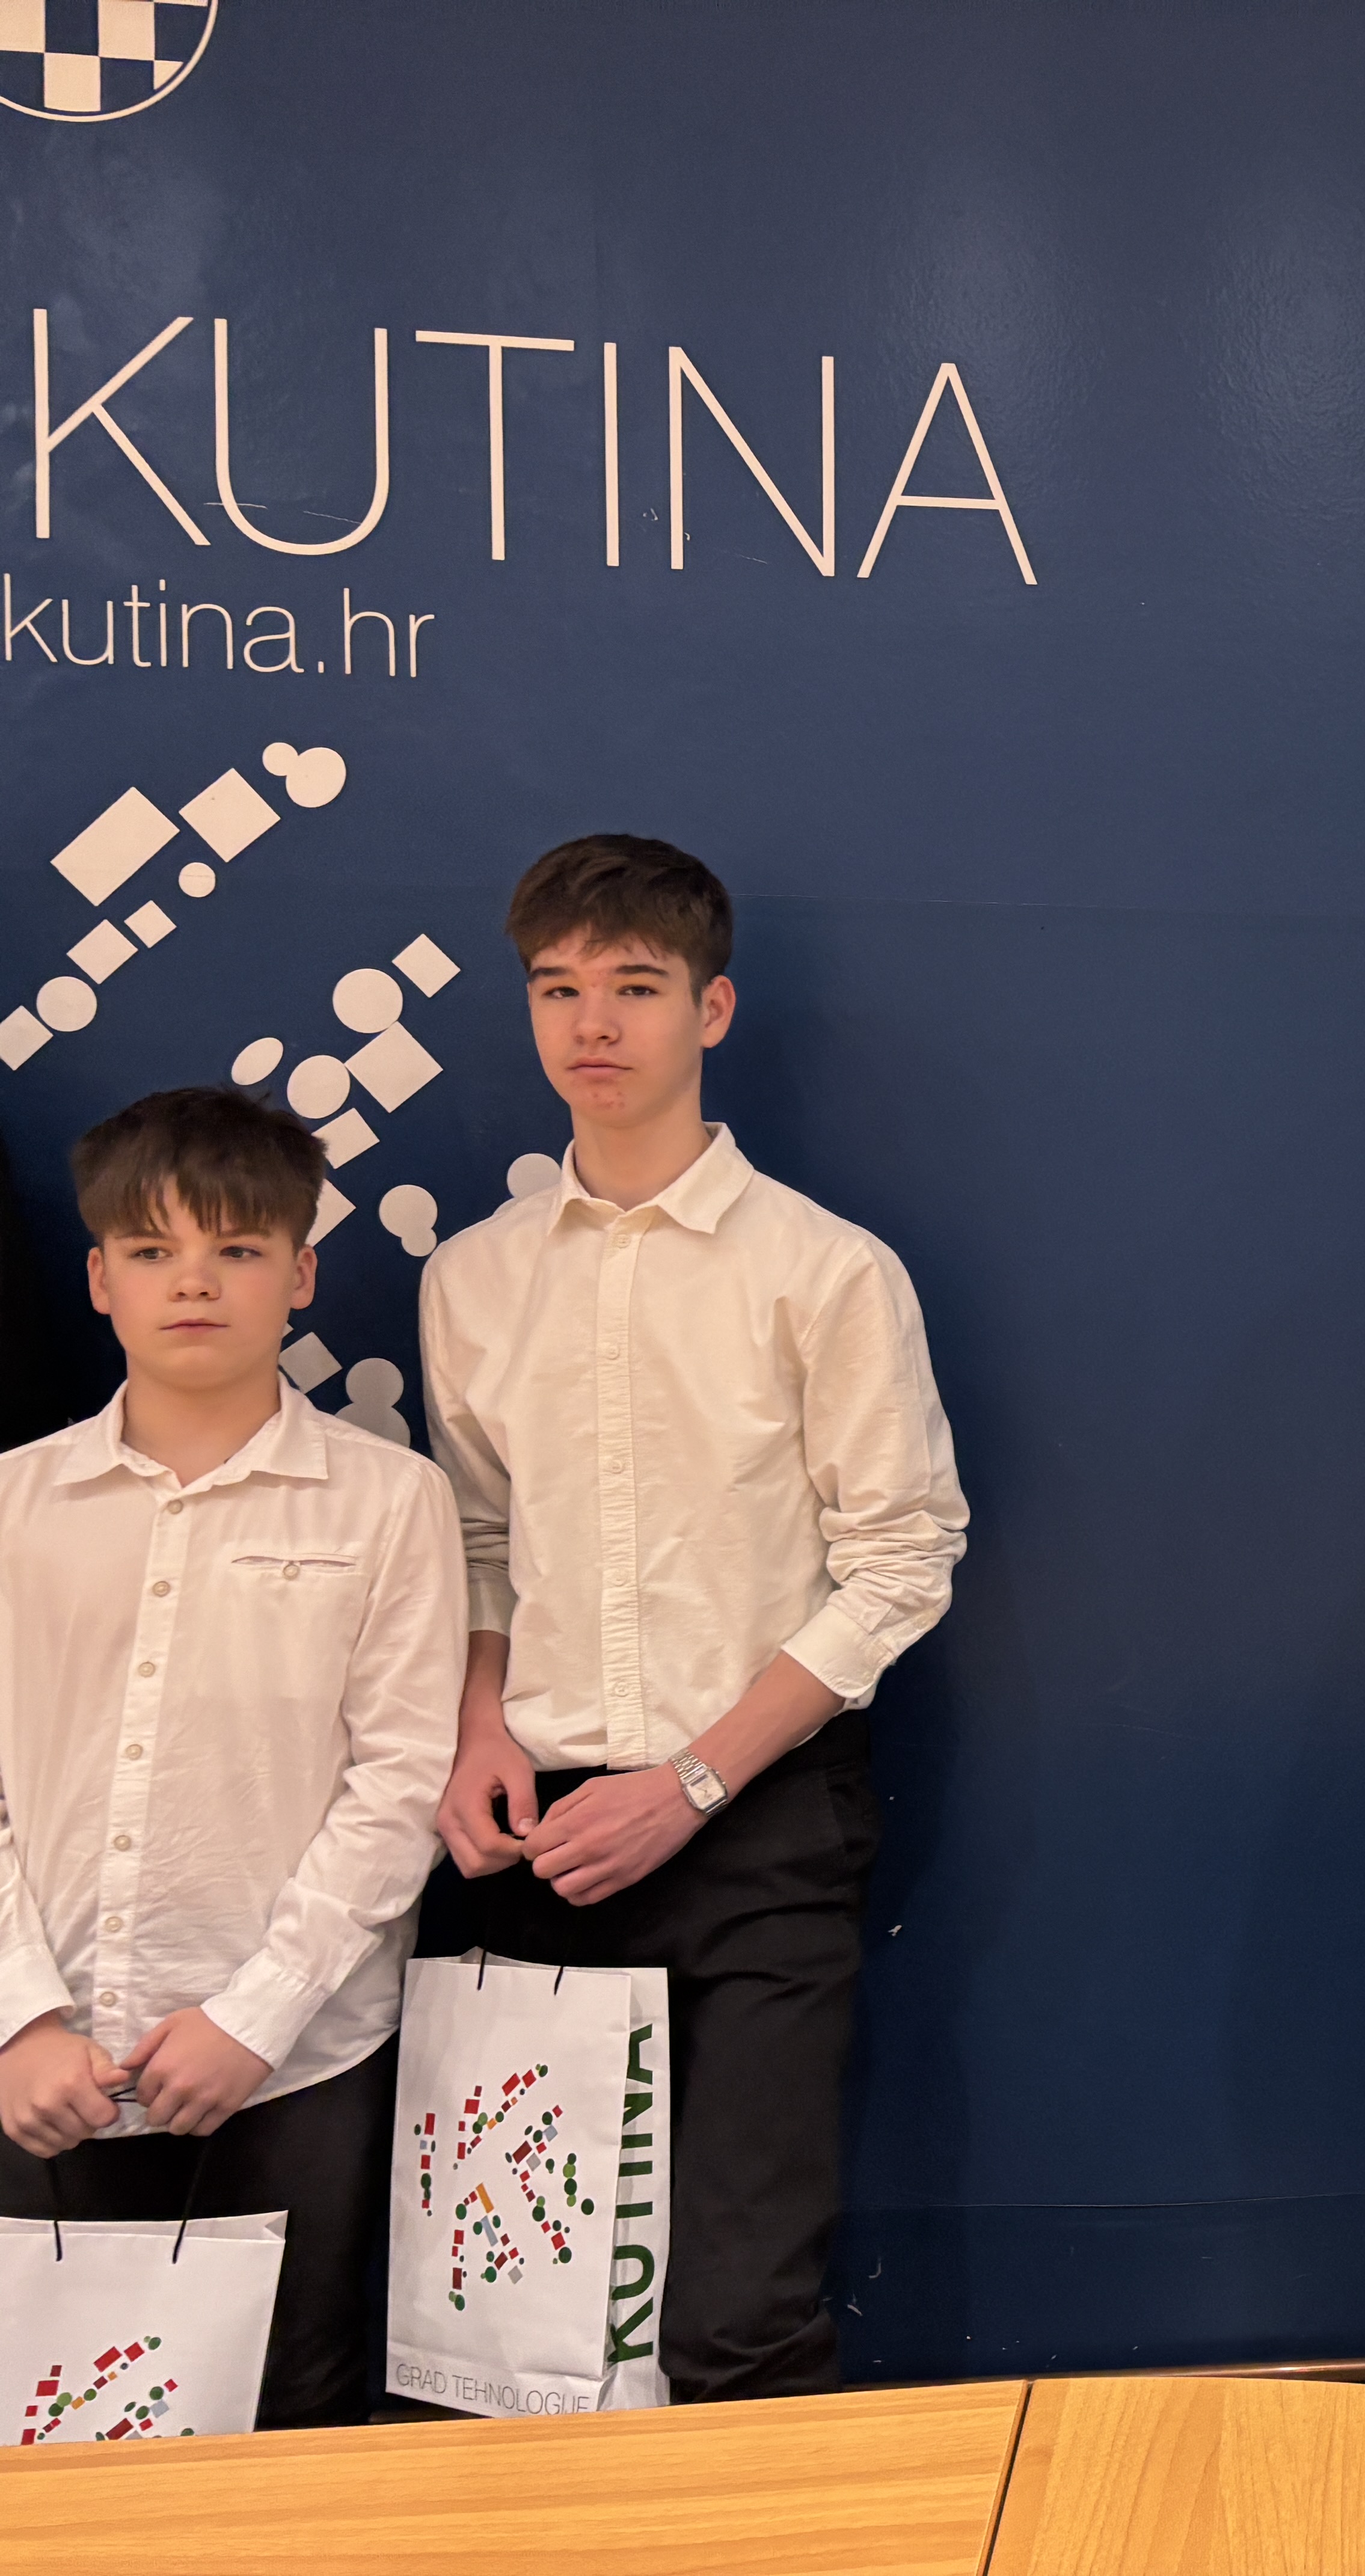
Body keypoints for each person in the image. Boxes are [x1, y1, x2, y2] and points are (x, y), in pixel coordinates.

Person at [417, 835, 968, 2403]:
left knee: (736, 2319)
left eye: (636, 987)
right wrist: (477, 1732)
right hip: (537, 1842)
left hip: (761, 1827)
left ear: (711, 1009)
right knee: (521, 2334)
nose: (593, 1023)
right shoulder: (472, 1280)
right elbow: (478, 1540)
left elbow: (904, 1560)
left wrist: (695, 1782)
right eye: (558, 989)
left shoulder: (826, 1270)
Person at [0, 1088, 461, 2428]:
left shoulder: (389, 1501)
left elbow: (400, 1785)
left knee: (286, 2423)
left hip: (293, 2061)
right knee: (44, 2434)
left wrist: (253, 2017)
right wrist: (21, 2017)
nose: (194, 1282)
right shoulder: (15, 1505)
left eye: (238, 1249)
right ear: (100, 1279)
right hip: (40, 2060)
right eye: (152, 1251)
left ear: (301, 1273)